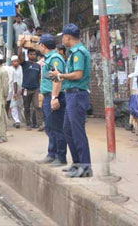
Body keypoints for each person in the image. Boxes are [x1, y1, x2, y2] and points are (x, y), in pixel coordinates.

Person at [48, 24, 92, 178]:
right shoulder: (73, 52)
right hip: (71, 95)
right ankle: (77, 163)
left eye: (63, 37)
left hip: (77, 94)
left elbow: (78, 74)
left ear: (67, 37)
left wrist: (60, 76)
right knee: (68, 129)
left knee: (77, 131)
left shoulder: (78, 53)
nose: (62, 40)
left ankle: (85, 167)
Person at [37, 34, 67, 167]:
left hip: (54, 96)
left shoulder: (55, 59)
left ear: (43, 46)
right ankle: (52, 153)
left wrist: (54, 98)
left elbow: (57, 79)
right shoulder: (47, 59)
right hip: (48, 95)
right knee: (50, 127)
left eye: (39, 44)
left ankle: (60, 156)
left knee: (57, 127)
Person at [18, 45, 42, 130]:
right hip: (26, 89)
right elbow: (19, 56)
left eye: (34, 54)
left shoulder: (38, 65)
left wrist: (40, 88)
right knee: (27, 107)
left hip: (35, 89)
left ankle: (40, 124)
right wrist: (21, 45)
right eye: (31, 54)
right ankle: (28, 124)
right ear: (28, 55)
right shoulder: (25, 64)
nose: (33, 56)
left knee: (37, 106)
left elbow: (39, 77)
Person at [6, 55, 23, 128]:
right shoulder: (10, 69)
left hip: (21, 89)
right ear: (12, 62)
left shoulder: (21, 68)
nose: (15, 63)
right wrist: (14, 92)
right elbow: (13, 81)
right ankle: (16, 121)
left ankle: (18, 119)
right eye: (14, 61)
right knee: (13, 105)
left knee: (20, 105)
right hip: (12, 90)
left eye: (16, 61)